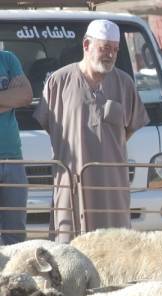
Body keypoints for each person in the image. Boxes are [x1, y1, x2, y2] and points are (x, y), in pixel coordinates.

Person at [34, 19, 149, 243]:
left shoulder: (124, 83)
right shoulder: (58, 82)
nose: (110, 55)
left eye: (114, 49)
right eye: (104, 48)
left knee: (115, 247)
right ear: (86, 45)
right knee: (69, 248)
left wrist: (107, 149)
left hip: (112, 186)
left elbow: (130, 127)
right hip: (71, 183)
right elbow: (51, 126)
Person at [0, 51, 33, 245]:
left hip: (13, 158)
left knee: (16, 235)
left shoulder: (8, 59)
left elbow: (26, 96)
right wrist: (9, 99)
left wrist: (17, 97)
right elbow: (17, 97)